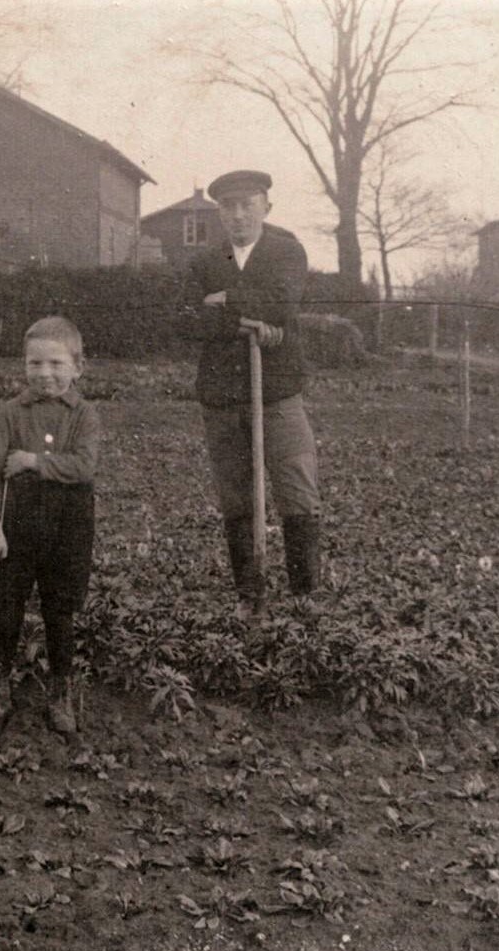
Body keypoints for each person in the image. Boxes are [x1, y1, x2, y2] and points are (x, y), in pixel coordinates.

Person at [188, 169, 323, 619]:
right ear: (219, 213)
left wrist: (223, 301)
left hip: (278, 393)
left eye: (248, 203)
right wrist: (244, 316)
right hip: (223, 397)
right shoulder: (205, 261)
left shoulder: (287, 251)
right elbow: (186, 320)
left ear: (267, 205)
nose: (239, 214)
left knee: (297, 490)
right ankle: (249, 593)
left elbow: (283, 304)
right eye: (228, 206)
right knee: (236, 497)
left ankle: (305, 593)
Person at [0, 317, 101, 737]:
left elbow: (84, 466)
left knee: (59, 611)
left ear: (77, 367)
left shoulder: (84, 415)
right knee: (5, 610)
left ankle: (60, 693)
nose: (44, 373)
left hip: (68, 524)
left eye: (55, 363)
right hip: (16, 523)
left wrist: (33, 462)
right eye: (34, 364)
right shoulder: (10, 413)